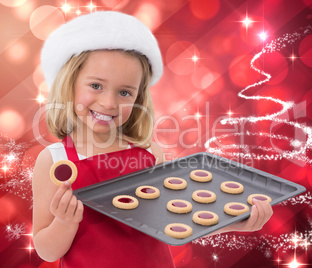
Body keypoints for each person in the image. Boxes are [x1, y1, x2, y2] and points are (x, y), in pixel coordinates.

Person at [32, 11, 273, 267]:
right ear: (70, 83)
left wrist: (234, 222)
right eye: (96, 86)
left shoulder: (149, 154)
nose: (109, 102)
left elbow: (176, 224)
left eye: (125, 92)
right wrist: (64, 223)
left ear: (138, 99)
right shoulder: (54, 162)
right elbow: (47, 251)